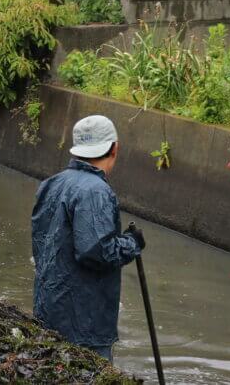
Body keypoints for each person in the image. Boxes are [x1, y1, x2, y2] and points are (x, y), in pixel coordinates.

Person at [31, 115, 145, 362]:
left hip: (47, 308)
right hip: (84, 323)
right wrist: (132, 243)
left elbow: (41, 244)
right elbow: (96, 251)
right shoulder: (95, 191)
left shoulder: (51, 184)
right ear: (114, 148)